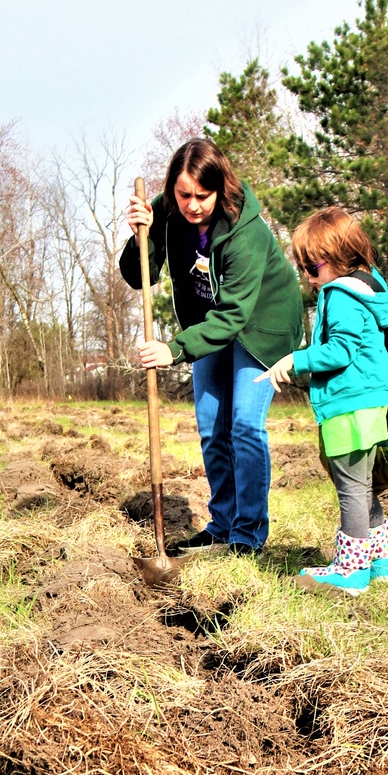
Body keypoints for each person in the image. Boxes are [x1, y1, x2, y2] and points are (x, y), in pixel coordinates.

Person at [120, 139, 304, 556]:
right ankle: (222, 525)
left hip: (261, 324)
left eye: (203, 196)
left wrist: (175, 349)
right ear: (173, 189)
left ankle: (248, 534)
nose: (193, 205)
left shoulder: (246, 231)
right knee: (210, 425)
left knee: (242, 424)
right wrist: (140, 236)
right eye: (184, 195)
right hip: (209, 323)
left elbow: (234, 316)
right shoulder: (165, 212)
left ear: (220, 189)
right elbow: (139, 276)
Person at [259, 207, 388, 596]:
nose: (307, 276)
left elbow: (339, 351)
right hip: (370, 401)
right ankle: (378, 561)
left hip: (348, 404)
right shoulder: (366, 289)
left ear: (338, 258)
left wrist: (294, 360)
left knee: (350, 485)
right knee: (363, 484)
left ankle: (351, 571)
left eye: (311, 267)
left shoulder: (340, 295)